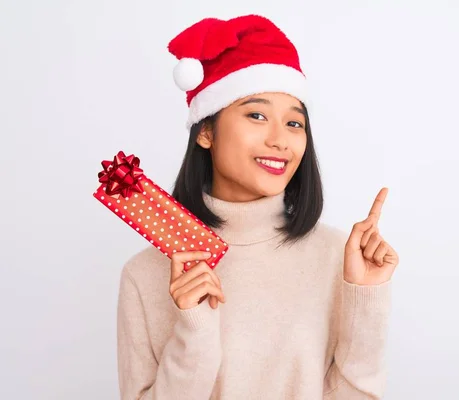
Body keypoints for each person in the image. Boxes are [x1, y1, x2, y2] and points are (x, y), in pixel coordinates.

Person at [116, 14, 399, 400]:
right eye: (257, 115)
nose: (280, 140)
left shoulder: (338, 257)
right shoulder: (144, 274)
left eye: (295, 124)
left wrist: (364, 300)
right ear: (205, 130)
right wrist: (195, 330)